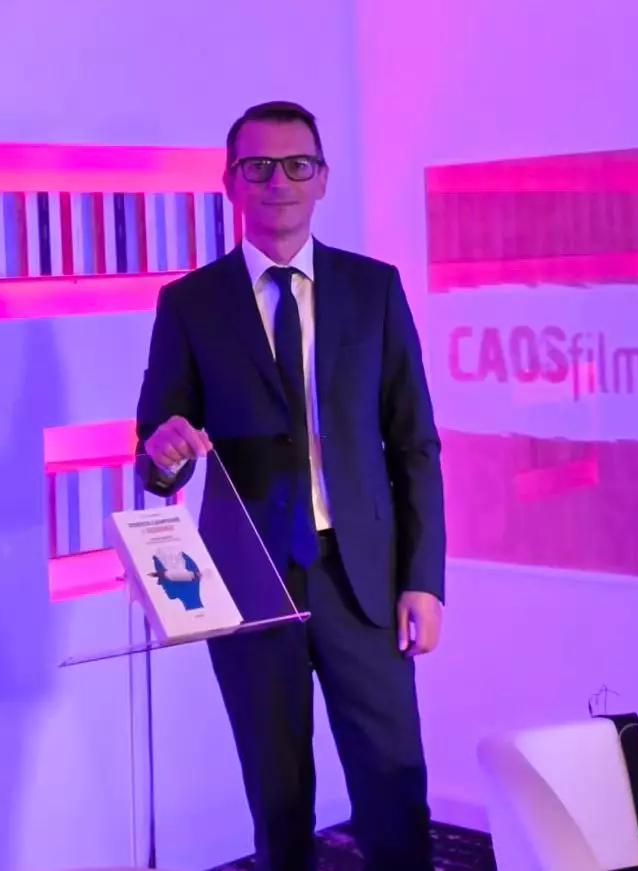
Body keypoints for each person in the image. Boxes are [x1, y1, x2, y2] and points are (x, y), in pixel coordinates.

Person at [135, 100, 446, 871]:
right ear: (229, 182)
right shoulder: (191, 303)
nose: (279, 180)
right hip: (249, 586)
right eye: (258, 166)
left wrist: (423, 578)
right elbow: (156, 451)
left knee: (393, 790)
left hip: (362, 579)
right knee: (277, 803)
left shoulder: (372, 289)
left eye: (297, 164)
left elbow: (413, 443)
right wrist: (166, 453)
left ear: (322, 178)